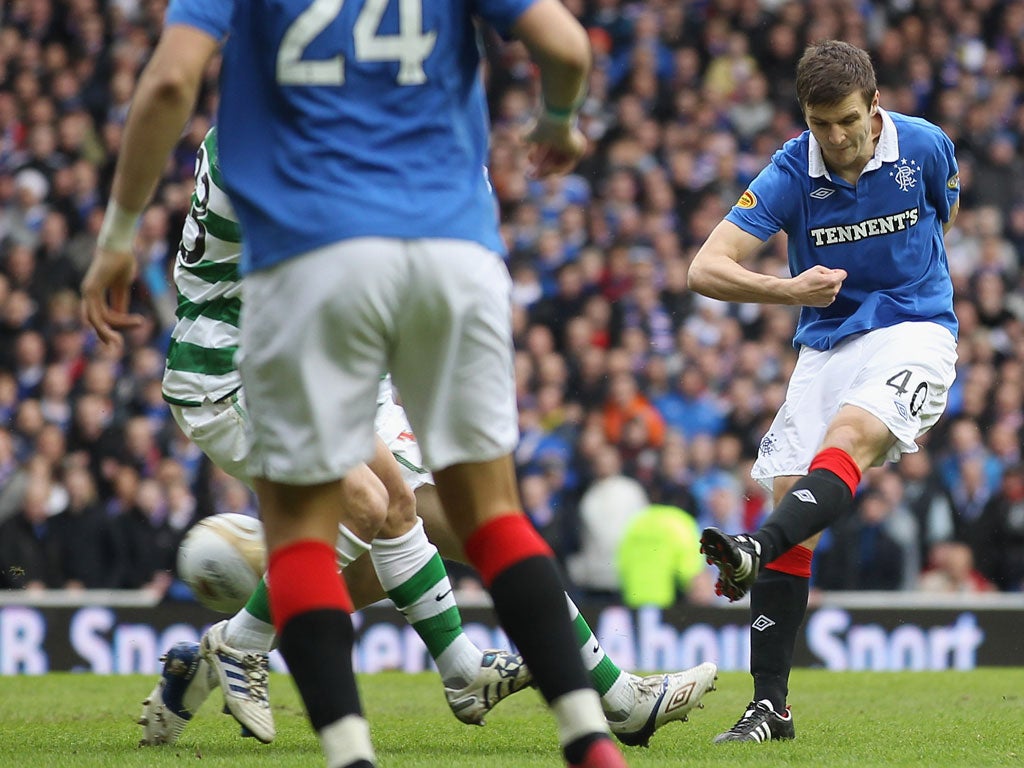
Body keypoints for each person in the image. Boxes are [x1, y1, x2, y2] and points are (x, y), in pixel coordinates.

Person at [76, 0, 696, 754]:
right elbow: (558, 47)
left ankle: (261, 654)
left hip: (342, 328)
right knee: (387, 507)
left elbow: (180, 80)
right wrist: (546, 122)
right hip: (235, 368)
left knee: (426, 516)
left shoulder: (277, 129)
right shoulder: (263, 154)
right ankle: (258, 650)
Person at [687, 40, 959, 744]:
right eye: (819, 123)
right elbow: (704, 268)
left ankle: (749, 548)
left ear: (874, 106)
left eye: (846, 120)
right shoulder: (789, 170)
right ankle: (769, 708)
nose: (835, 138)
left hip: (915, 330)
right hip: (826, 342)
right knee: (789, 494)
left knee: (845, 444)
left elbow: (942, 217)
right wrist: (787, 291)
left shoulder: (926, 148)